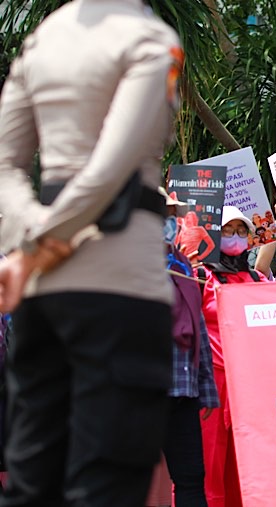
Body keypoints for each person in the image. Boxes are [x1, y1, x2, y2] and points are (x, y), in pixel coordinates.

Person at [0, 0, 181, 504]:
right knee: (108, 482)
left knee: (33, 478)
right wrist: (39, 242)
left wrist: (31, 238)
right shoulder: (148, 38)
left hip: (42, 293)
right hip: (121, 285)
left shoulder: (40, 42)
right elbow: (112, 166)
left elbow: (5, 165)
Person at [198, 205, 268, 507]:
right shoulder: (201, 277)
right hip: (213, 387)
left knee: (245, 468)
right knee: (208, 468)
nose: (235, 237)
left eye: (241, 231)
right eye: (227, 231)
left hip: (250, 389)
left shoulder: (258, 280)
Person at [163, 189, 219, 507]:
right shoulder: (124, 266)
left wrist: (206, 389)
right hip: (139, 391)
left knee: (190, 479)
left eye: (171, 216)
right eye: (161, 215)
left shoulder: (184, 267)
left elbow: (198, 328)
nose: (167, 222)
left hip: (182, 392)